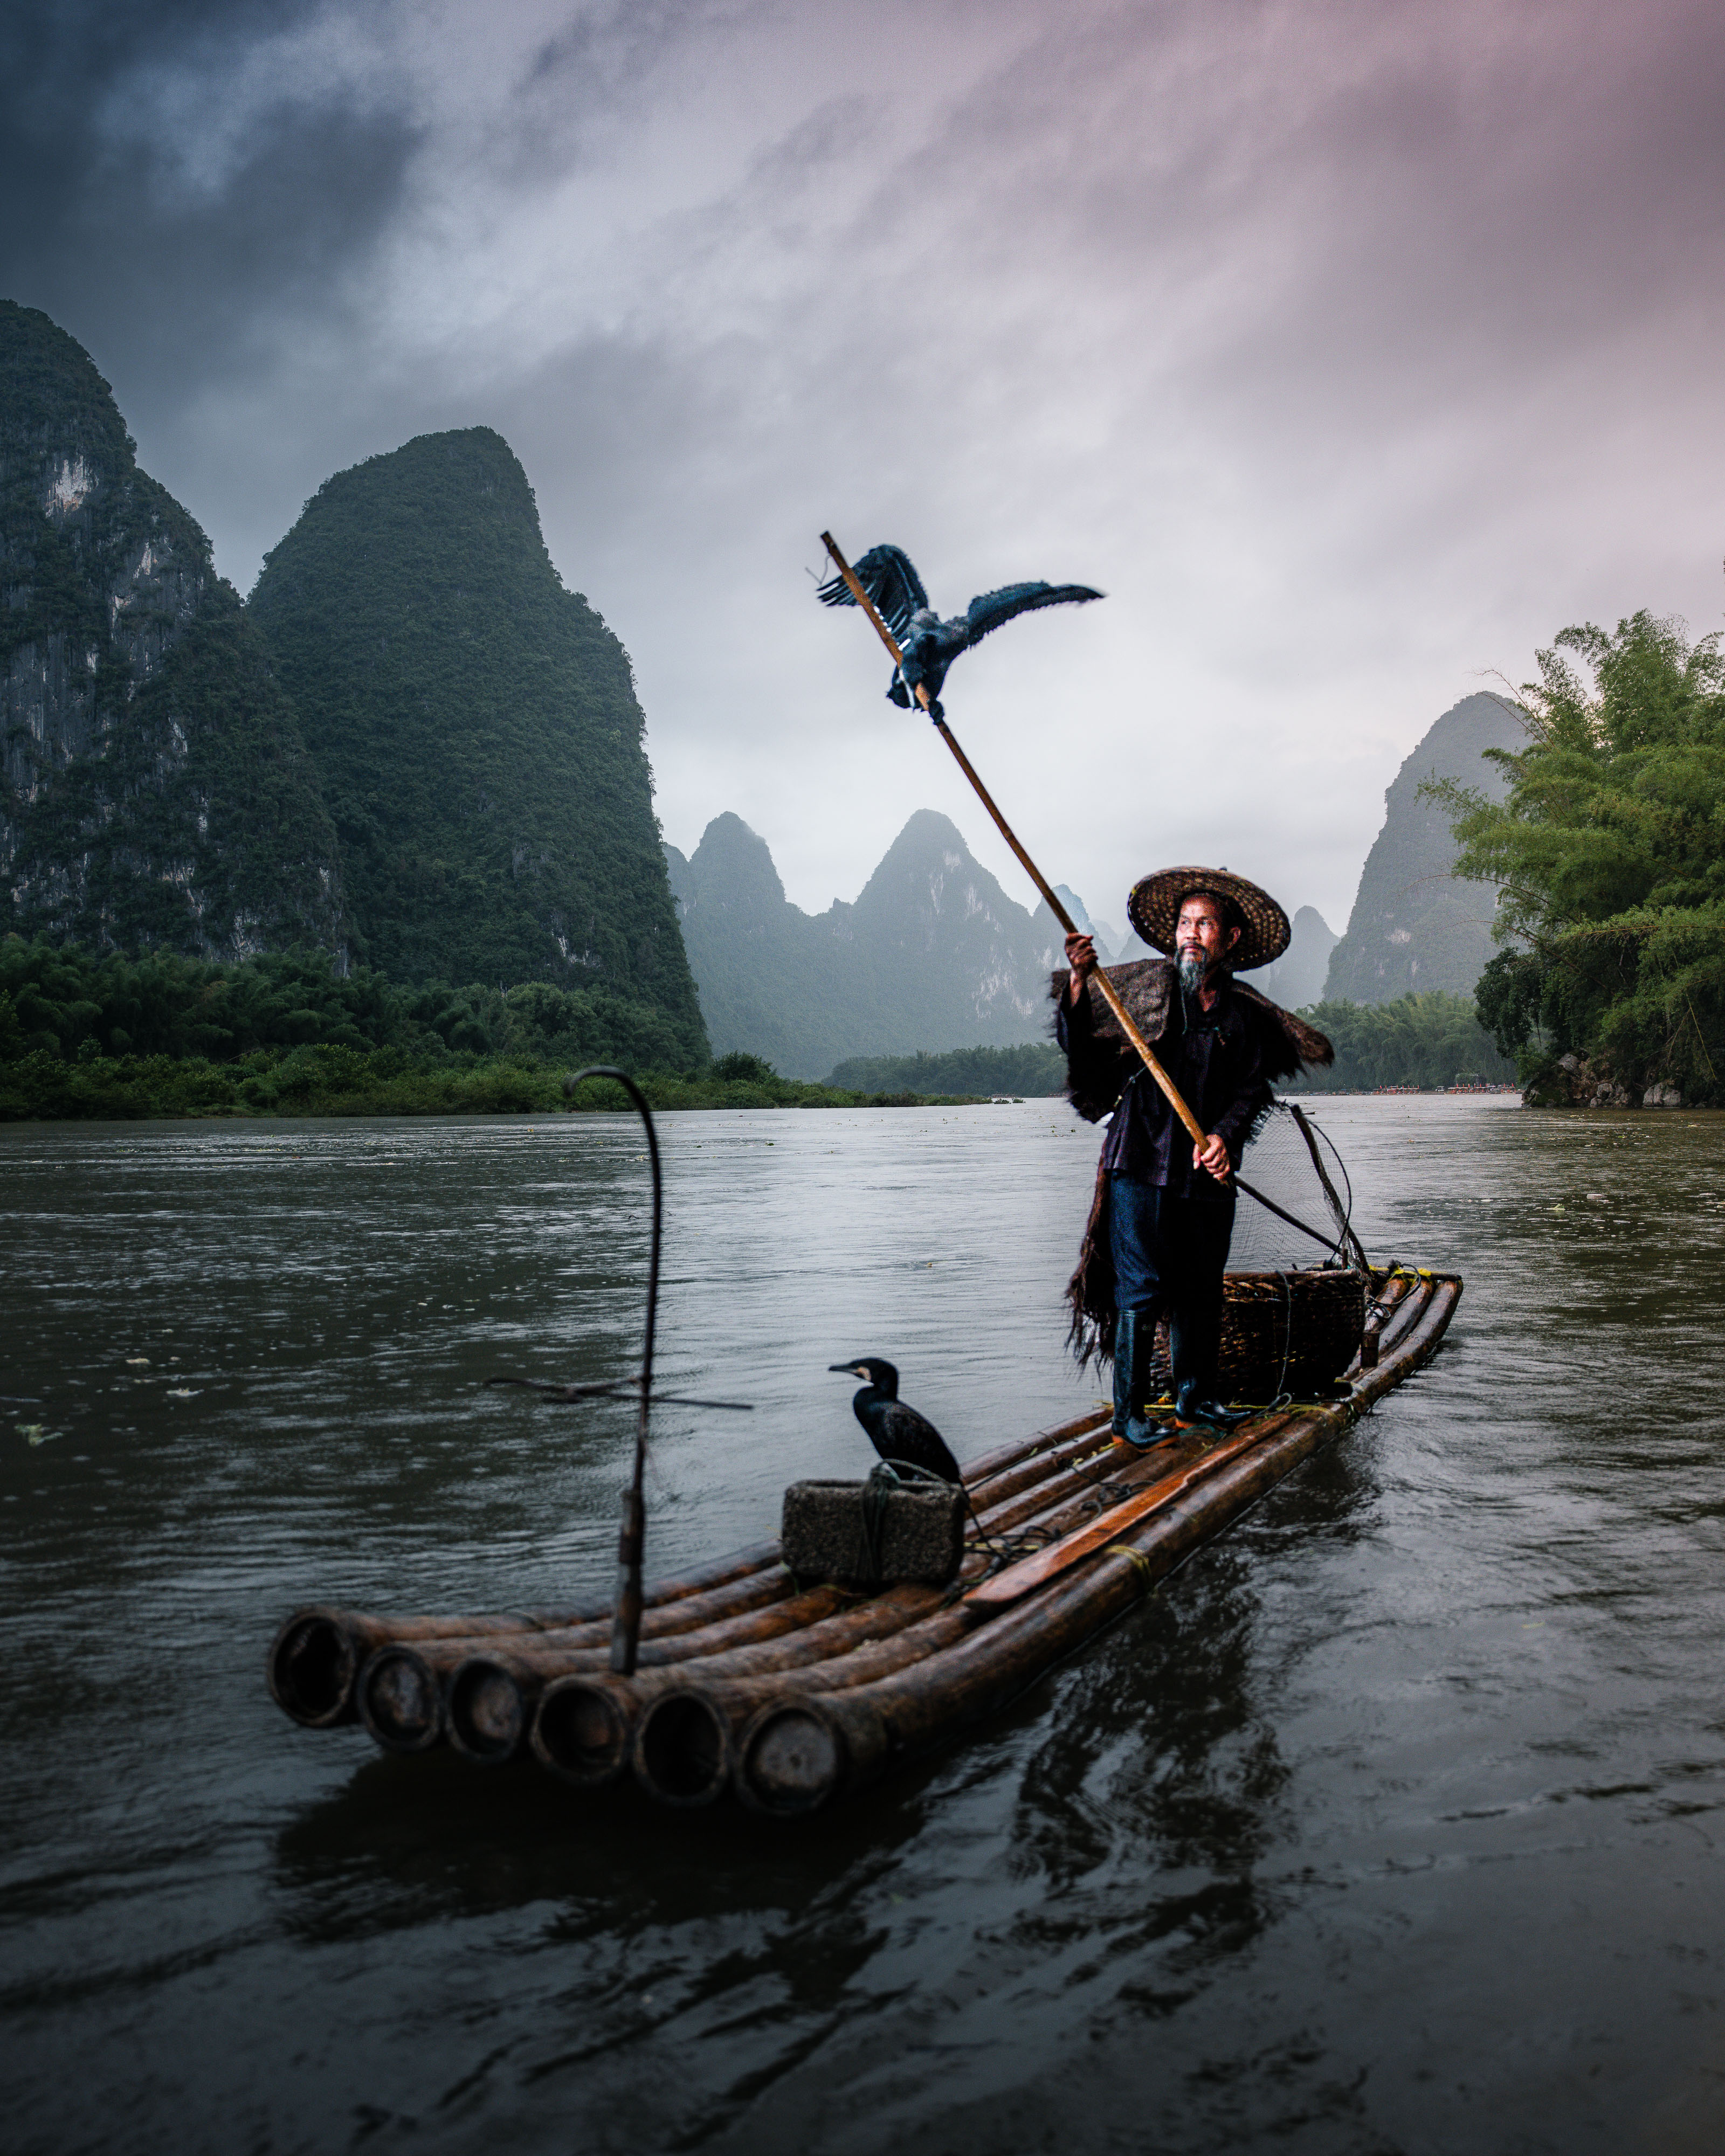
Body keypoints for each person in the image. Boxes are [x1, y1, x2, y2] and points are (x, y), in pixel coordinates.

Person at [1053, 865, 1332, 1446]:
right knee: (1141, 1284)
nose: (1190, 933)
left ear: (1229, 939)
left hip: (1206, 1172)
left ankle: (1194, 1400)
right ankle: (1128, 1415)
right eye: (1184, 923)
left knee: (1200, 1287)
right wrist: (1079, 984)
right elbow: (1082, 1044)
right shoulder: (1141, 992)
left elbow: (1251, 1090)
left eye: (1204, 924)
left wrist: (1224, 1140)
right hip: (1140, 1161)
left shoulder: (1243, 1015)